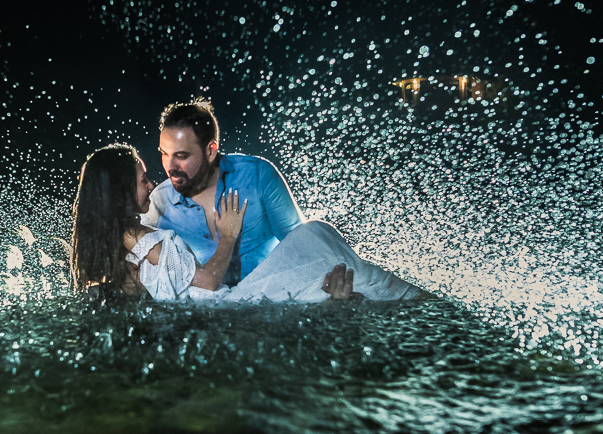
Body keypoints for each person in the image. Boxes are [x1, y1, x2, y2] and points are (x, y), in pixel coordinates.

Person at [70, 143, 427, 303]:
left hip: (226, 303)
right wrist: (229, 235)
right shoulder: (148, 241)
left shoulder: (118, 239)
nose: (150, 184)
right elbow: (208, 284)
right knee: (327, 246)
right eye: (141, 179)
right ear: (119, 192)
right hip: (230, 307)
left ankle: (418, 305)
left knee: (324, 244)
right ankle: (431, 309)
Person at [143, 98, 303, 287]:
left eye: (181, 156)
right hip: (206, 309)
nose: (170, 166)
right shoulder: (158, 202)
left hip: (274, 298)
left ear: (211, 151)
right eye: (164, 153)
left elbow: (300, 243)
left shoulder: (258, 176)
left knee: (319, 230)